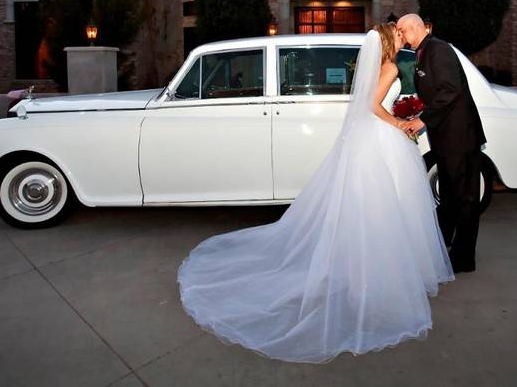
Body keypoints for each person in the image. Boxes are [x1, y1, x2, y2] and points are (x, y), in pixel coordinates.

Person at [178, 23, 453, 363]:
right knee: (385, 207)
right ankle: (381, 277)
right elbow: (371, 104)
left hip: (377, 140)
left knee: (377, 207)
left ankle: (375, 270)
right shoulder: (391, 66)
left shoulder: (387, 65)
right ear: (386, 42)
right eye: (396, 35)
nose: (401, 37)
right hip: (383, 140)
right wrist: (399, 123)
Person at [396, 14, 487, 273]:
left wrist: (423, 119)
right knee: (448, 196)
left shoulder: (439, 49)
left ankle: (464, 258)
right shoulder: (423, 52)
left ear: (414, 27)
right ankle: (444, 245)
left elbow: (450, 89)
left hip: (460, 136)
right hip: (445, 138)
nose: (401, 36)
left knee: (465, 198)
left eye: (402, 31)